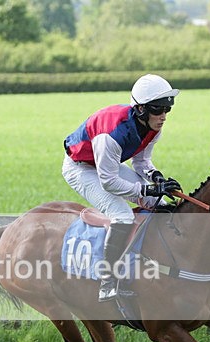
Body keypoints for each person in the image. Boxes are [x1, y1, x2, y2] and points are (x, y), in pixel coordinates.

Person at [63, 74, 182, 302]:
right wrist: (147, 190)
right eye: (158, 110)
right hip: (81, 168)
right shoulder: (111, 135)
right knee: (122, 216)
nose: (163, 116)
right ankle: (107, 281)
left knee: (162, 205)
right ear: (140, 110)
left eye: (168, 109)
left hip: (106, 165)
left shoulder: (153, 126)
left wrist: (157, 179)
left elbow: (141, 162)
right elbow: (108, 181)